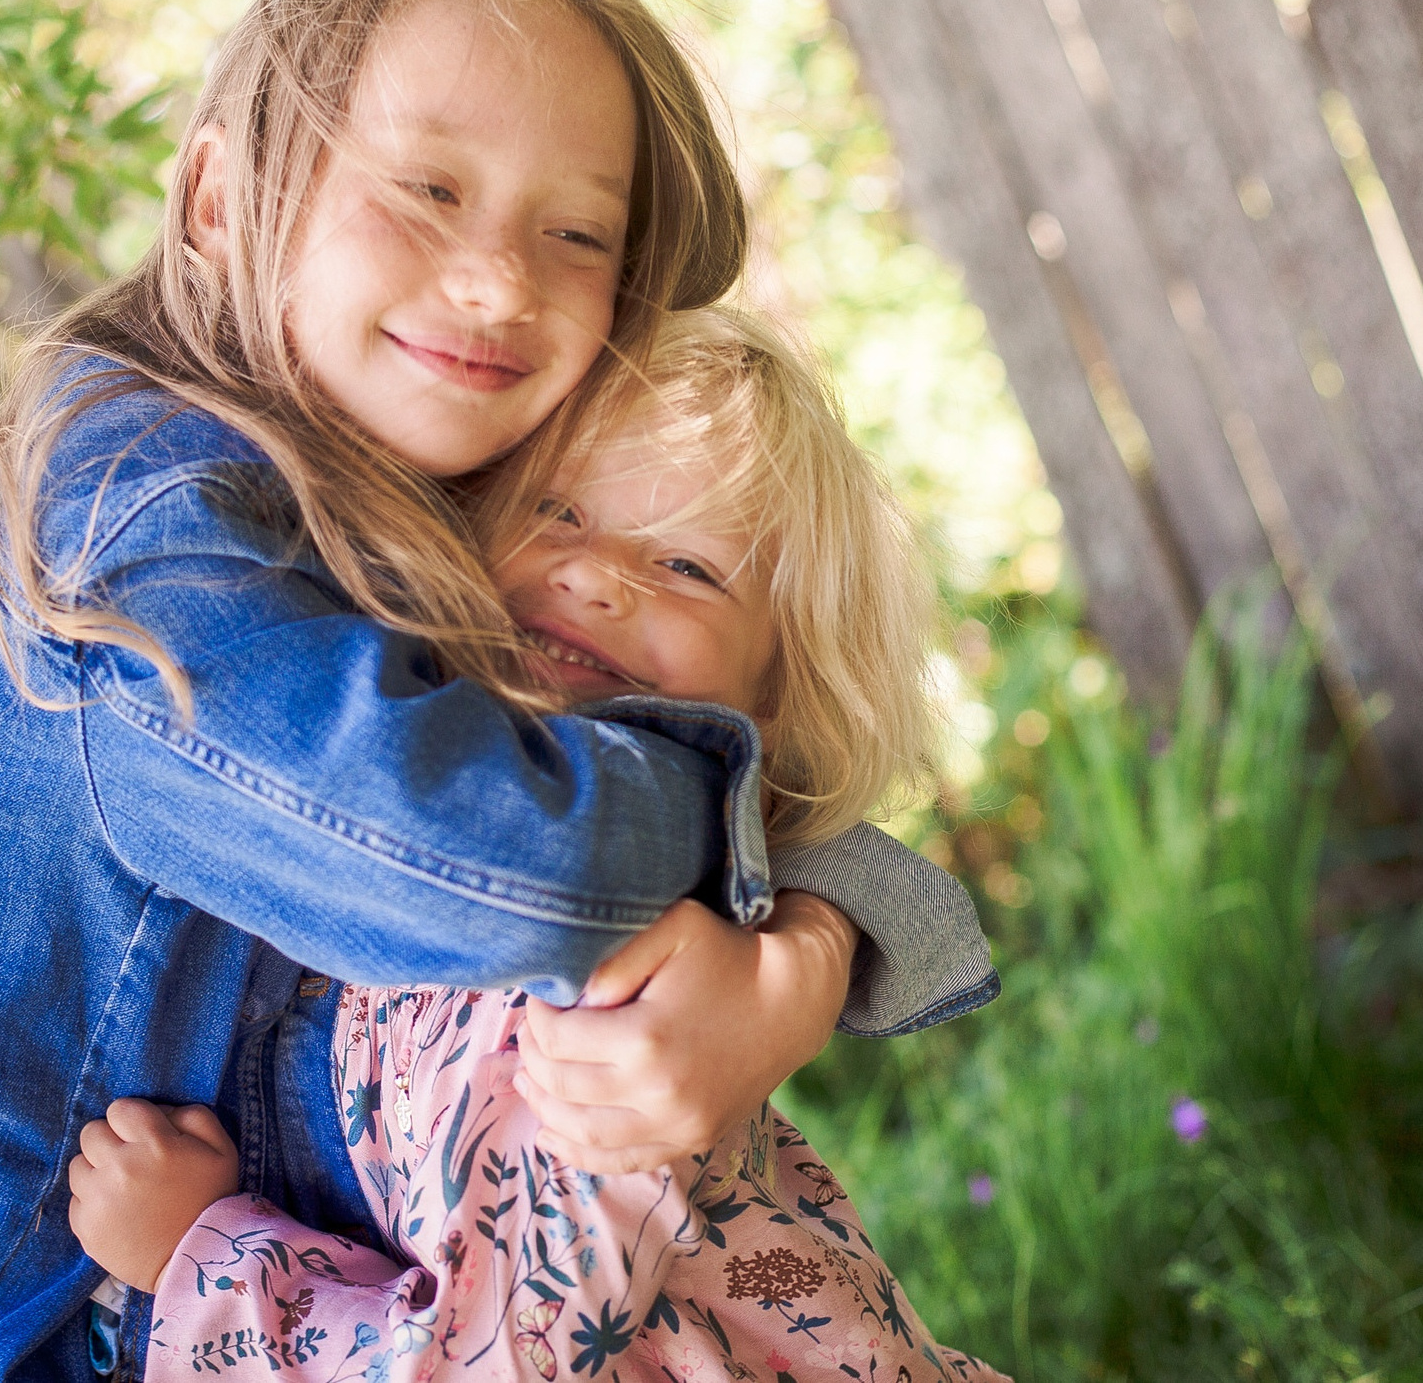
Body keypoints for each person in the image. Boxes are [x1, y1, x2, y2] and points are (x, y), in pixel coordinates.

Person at [0, 0, 995, 1383]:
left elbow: (747, 748)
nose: (496, 281)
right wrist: (756, 900)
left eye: (576, 233)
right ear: (223, 202)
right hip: (44, 1315)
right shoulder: (141, 538)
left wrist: (798, 948)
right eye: (426, 188)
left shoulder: (383, 459)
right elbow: (519, 860)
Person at [68, 308, 1006, 1383]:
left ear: (778, 694)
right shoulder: (440, 817)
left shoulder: (610, 974)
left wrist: (198, 1254)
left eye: (690, 565)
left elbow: (482, 1363)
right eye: (557, 510)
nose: (598, 574)